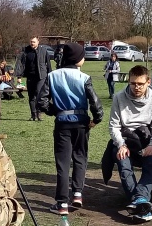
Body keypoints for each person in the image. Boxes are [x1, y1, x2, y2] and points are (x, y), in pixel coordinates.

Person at [37, 42, 103, 215]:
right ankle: (78, 194)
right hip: (82, 123)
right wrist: (96, 119)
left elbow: (41, 102)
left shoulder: (52, 76)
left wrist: (55, 111)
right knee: (80, 158)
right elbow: (95, 102)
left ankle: (62, 203)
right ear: (78, 59)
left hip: (62, 123)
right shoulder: (84, 77)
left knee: (63, 163)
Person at [108, 65, 152, 222]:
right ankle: (141, 201)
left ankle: (138, 201)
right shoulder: (119, 97)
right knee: (124, 164)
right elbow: (114, 126)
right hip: (125, 140)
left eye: (140, 83)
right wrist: (120, 144)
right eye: (133, 83)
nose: (136, 87)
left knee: (151, 163)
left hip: (146, 140)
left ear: (148, 82)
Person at [15, 36, 52, 121]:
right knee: (31, 96)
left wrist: (50, 75)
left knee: (39, 94)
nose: (32, 43)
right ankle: (33, 115)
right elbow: (21, 64)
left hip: (41, 76)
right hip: (30, 76)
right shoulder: (25, 51)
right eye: (31, 41)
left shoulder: (43, 50)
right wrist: (19, 76)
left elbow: (48, 64)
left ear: (38, 42)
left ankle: (39, 113)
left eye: (34, 42)